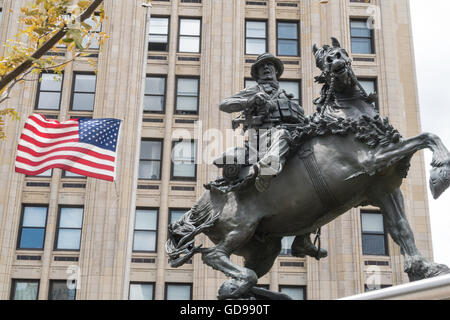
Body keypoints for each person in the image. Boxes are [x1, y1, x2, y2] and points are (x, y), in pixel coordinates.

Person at [219, 53, 305, 192]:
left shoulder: (285, 95)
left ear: (276, 70)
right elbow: (224, 104)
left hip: (287, 136)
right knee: (282, 135)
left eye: (269, 64)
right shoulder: (253, 91)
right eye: (262, 66)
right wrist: (250, 100)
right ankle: (267, 170)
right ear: (257, 73)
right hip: (260, 139)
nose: (266, 67)